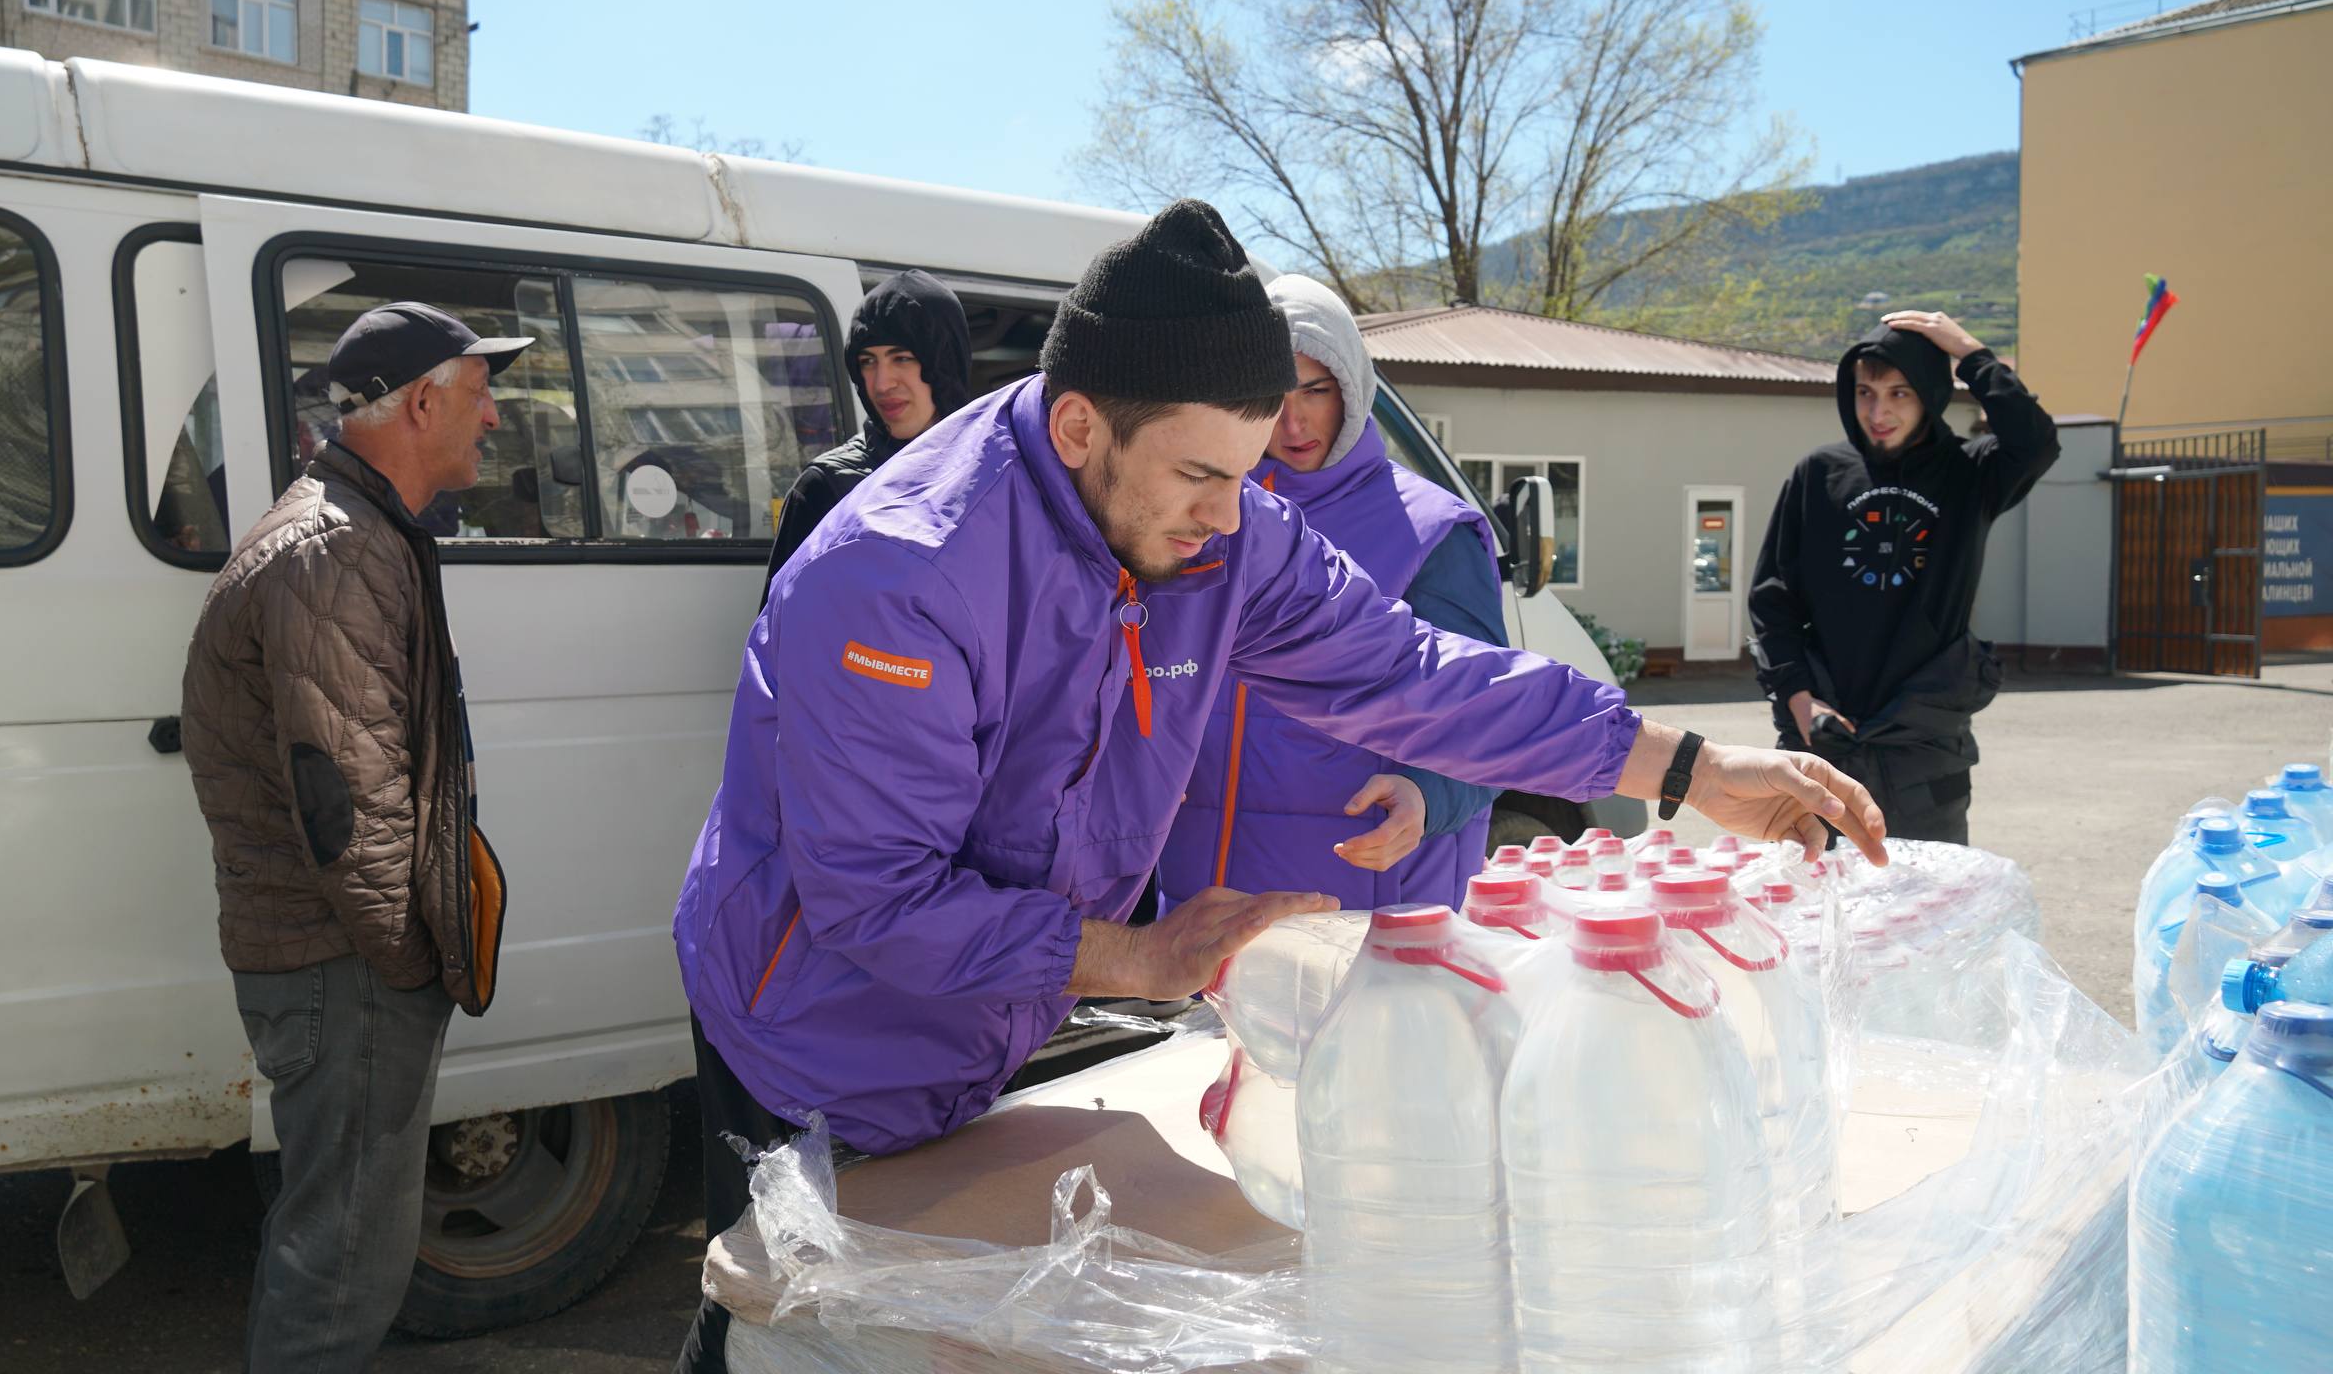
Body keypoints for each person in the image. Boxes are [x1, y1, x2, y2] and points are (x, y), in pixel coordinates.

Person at [673, 201, 1886, 1374]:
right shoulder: (899, 578)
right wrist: (1135, 957)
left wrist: (1689, 768)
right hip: (809, 1038)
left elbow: (1411, 676)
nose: (1228, 518)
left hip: (987, 1024)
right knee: (788, 1323)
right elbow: (877, 900)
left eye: (1248, 474)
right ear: (1080, 425)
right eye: (1201, 476)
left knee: (951, 1337)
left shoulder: (1220, 526)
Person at [182, 301, 522, 1371]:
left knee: (338, 1246)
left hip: (333, 960)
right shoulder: (334, 545)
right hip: (347, 966)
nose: (495, 417)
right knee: (342, 1271)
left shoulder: (352, 527)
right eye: (480, 393)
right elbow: (347, 800)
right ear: (421, 403)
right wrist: (413, 965)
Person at [1158, 272, 1505, 908]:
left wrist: (1429, 795)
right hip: (1196, 893)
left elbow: (1488, 713)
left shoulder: (1429, 530)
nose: (1292, 422)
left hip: (1364, 891)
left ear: (1353, 385)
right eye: (1271, 396)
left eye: (1315, 390)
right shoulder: (1202, 515)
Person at [1748, 309, 2061, 844]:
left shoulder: (1970, 474)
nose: (1879, 411)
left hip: (1925, 746)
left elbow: (2036, 442)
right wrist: (1800, 702)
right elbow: (1772, 601)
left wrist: (1969, 353)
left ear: (1931, 395)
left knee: (1928, 893)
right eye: (1865, 393)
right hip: (1824, 739)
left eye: (1900, 393)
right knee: (1814, 890)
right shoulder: (1818, 474)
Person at [760, 269, 971, 592]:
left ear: (944, 362)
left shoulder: (1000, 476)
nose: (882, 383)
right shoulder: (825, 488)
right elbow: (780, 619)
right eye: (868, 361)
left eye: (902, 358)